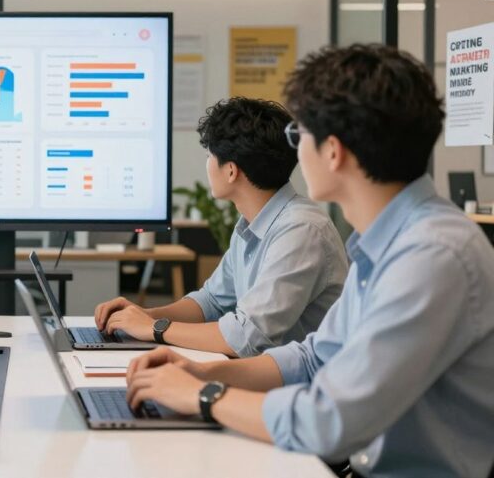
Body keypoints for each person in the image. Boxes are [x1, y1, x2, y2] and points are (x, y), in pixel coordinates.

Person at [125, 44, 494, 477]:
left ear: (332, 151)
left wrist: (203, 397)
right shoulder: (391, 242)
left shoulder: (432, 256)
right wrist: (200, 371)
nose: (294, 155)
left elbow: (330, 422)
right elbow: (315, 358)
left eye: (298, 137)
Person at [95, 97, 347, 357]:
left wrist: (155, 328)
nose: (207, 164)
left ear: (230, 171)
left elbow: (247, 337)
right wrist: (143, 316)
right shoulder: (251, 224)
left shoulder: (302, 230)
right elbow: (211, 302)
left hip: (301, 389)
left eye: (209, 156)